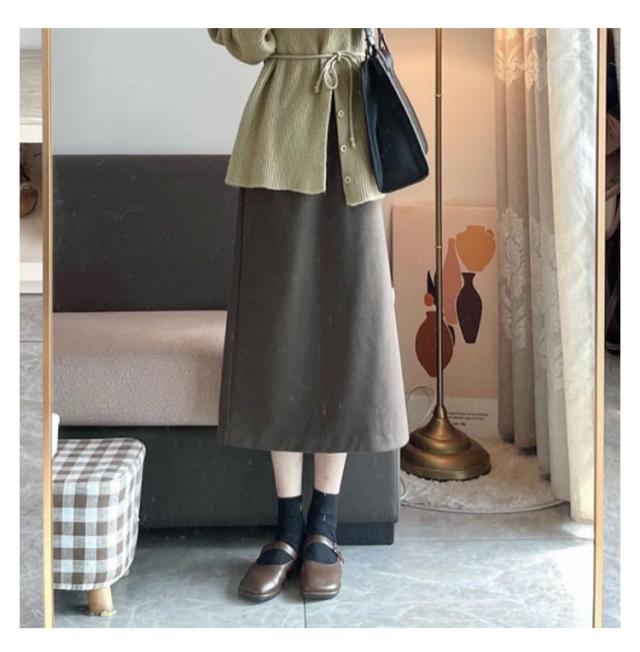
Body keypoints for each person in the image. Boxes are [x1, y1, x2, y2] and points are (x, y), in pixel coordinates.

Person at [207, 28, 409, 601]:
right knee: (279, 333)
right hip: (278, 142)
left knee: (348, 328)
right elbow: (248, 43)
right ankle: (288, 526)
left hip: (355, 144)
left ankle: (325, 522)